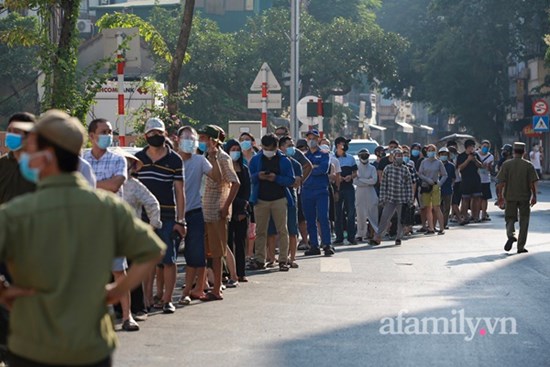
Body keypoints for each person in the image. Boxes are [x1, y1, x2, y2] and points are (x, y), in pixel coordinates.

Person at [0, 110, 165, 367]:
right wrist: (113, 292)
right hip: (90, 345)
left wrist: (6, 292)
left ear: (46, 156)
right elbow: (151, 250)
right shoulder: (108, 208)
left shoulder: (16, 212)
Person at [83, 119, 139, 331]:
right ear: (91, 135)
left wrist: (87, 184)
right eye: (103, 131)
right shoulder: (81, 158)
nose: (108, 135)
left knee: (118, 271)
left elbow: (115, 185)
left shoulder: (118, 159)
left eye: (110, 131)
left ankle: (127, 316)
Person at [135, 118, 186, 314]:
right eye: (152, 133)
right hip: (144, 216)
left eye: (159, 133)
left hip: (167, 214)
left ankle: (167, 299)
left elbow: (180, 191)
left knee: (169, 259)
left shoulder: (174, 159)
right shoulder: (139, 159)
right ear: (146, 136)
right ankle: (147, 298)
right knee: (147, 259)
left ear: (165, 134)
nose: (155, 137)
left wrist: (181, 220)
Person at [116, 148, 162, 320]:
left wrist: (152, 226)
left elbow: (152, 204)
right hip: (111, 234)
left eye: (126, 163)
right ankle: (119, 308)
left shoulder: (135, 185)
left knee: (130, 271)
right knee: (112, 273)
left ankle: (138, 308)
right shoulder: (107, 182)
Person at [175, 126, 217, 303]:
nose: (190, 142)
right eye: (186, 138)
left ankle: (188, 292)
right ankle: (161, 295)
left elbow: (217, 177)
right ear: (177, 139)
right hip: (172, 215)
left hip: (194, 212)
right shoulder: (171, 160)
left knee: (195, 255)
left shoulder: (200, 160)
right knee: (166, 258)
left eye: (193, 139)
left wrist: (213, 156)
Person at [198, 125, 240, 300]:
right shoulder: (204, 157)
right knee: (206, 252)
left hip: (216, 211)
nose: (200, 141)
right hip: (203, 209)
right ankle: (205, 286)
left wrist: (225, 207)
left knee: (217, 253)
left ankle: (217, 288)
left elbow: (235, 182)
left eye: (203, 138)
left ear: (213, 140)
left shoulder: (222, 158)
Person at [248, 134, 295, 271]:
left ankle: (283, 260)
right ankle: (259, 259)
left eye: (270, 148)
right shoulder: (256, 160)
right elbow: (250, 178)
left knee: (282, 230)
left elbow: (290, 180)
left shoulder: (284, 160)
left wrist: (276, 178)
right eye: (265, 147)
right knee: (260, 231)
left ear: (276, 147)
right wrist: (258, 176)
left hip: (279, 198)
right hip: (260, 199)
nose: (267, 150)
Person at [496, 142, 538, 254]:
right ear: (524, 152)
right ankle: (520, 247)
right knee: (524, 221)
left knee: (510, 218)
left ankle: (510, 235)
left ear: (513, 152)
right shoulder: (528, 165)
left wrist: (500, 196)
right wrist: (534, 195)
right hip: (524, 197)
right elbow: (532, 183)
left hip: (510, 196)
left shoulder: (506, 164)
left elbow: (500, 182)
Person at [302, 130, 334, 256]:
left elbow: (323, 169)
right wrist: (313, 168)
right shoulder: (304, 155)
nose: (311, 140)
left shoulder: (324, 154)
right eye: (309, 138)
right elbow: (302, 169)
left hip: (321, 190)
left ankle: (327, 244)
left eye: (313, 138)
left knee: (323, 218)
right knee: (310, 219)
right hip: (307, 190)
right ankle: (314, 245)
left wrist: (311, 169)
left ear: (318, 138)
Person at [373, 148, 413, 246]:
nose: (400, 157)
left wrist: (410, 199)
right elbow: (383, 184)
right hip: (390, 198)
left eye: (401, 156)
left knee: (400, 219)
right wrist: (382, 198)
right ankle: (378, 237)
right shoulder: (388, 168)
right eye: (398, 155)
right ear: (394, 157)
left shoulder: (405, 169)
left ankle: (398, 237)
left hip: (402, 198)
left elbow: (409, 185)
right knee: (384, 217)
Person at [224, 139, 252, 281]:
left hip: (241, 210)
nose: (235, 152)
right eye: (232, 149)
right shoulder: (224, 168)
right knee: (227, 242)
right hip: (226, 208)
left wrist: (242, 207)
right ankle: (228, 273)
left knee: (240, 242)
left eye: (237, 149)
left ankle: (240, 273)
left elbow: (247, 190)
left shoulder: (244, 169)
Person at [0, 112, 37, 204]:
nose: (10, 135)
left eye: (16, 131)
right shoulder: (2, 163)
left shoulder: (40, 165)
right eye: (9, 131)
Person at [277, 136, 303, 267]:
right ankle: (278, 257)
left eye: (292, 145)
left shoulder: (296, 164)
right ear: (280, 147)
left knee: (292, 229)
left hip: (291, 199)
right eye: (289, 145)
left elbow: (296, 183)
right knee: (279, 230)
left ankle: (292, 258)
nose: (292, 147)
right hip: (275, 198)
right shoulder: (275, 161)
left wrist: (279, 180)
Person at [333, 136, 358, 245]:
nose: (345, 146)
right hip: (337, 189)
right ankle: (339, 237)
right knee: (338, 213)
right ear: (338, 145)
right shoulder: (332, 159)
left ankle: (351, 236)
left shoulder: (350, 158)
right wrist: (338, 178)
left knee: (351, 213)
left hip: (349, 188)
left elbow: (355, 172)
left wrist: (350, 177)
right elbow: (330, 173)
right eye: (343, 144)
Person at [418, 144, 448, 235]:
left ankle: (441, 228)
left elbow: (444, 175)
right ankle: (431, 228)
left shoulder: (438, 162)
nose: (431, 152)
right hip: (426, 185)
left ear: (435, 151)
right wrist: (427, 179)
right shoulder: (424, 162)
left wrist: (439, 183)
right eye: (429, 150)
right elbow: (420, 173)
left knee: (436, 207)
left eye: (432, 150)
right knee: (428, 208)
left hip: (435, 186)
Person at [354, 148, 378, 242]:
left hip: (370, 192)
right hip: (360, 193)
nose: (364, 157)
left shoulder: (372, 168)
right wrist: (367, 181)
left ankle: (375, 232)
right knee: (360, 215)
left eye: (366, 155)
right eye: (362, 155)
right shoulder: (356, 168)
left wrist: (362, 180)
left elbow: (374, 181)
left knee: (373, 213)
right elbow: (355, 181)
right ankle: (360, 234)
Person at [456, 139, 483, 225]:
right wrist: (468, 160)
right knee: (465, 199)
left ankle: (476, 216)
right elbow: (460, 168)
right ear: (467, 147)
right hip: (465, 179)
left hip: (475, 179)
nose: (472, 148)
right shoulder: (461, 156)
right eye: (471, 146)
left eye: (473, 146)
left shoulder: (476, 155)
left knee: (477, 198)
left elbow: (481, 166)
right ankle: (464, 216)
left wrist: (475, 160)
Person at [476, 140, 494, 221]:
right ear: (481, 146)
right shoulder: (476, 154)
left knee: (485, 198)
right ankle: (476, 214)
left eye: (487, 147)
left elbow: (491, 169)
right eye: (484, 146)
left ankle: (483, 214)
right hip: (477, 179)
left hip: (486, 179)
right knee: (477, 198)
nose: (485, 148)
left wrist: (489, 166)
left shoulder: (491, 156)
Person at [438, 147, 456, 229]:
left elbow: (453, 178)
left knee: (447, 208)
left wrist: (451, 185)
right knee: (438, 207)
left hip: (448, 188)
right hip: (437, 189)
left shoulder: (451, 166)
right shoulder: (436, 164)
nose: (443, 156)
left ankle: (444, 224)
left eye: (445, 154)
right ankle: (439, 223)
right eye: (442, 154)